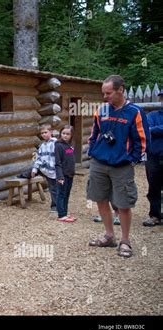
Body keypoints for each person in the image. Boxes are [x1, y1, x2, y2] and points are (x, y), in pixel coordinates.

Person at [87, 75, 150, 258]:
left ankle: (125, 241)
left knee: (123, 204)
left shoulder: (135, 112)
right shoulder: (102, 110)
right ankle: (108, 236)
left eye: (108, 93)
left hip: (122, 166)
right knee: (100, 199)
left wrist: (133, 159)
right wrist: (92, 152)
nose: (105, 97)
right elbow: (94, 133)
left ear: (120, 90)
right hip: (99, 162)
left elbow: (143, 139)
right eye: (103, 93)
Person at [142, 89, 163, 227]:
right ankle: (155, 215)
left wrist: (155, 130)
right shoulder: (152, 115)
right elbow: (146, 129)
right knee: (154, 187)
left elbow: (152, 130)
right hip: (153, 157)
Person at [31, 124, 58, 212]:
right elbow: (38, 158)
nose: (43, 135)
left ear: (51, 132)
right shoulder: (42, 146)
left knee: (56, 189)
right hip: (46, 171)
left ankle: (57, 206)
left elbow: (65, 153)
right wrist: (34, 169)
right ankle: (55, 206)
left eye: (45, 132)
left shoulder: (56, 143)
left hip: (56, 171)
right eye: (42, 133)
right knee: (52, 189)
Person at [55, 125, 76, 222]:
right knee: (61, 194)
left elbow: (70, 159)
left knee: (67, 194)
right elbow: (58, 163)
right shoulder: (58, 145)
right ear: (60, 134)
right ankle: (61, 215)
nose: (65, 136)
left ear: (71, 135)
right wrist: (60, 176)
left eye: (68, 134)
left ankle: (65, 213)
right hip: (62, 175)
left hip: (70, 175)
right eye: (63, 133)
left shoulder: (70, 146)